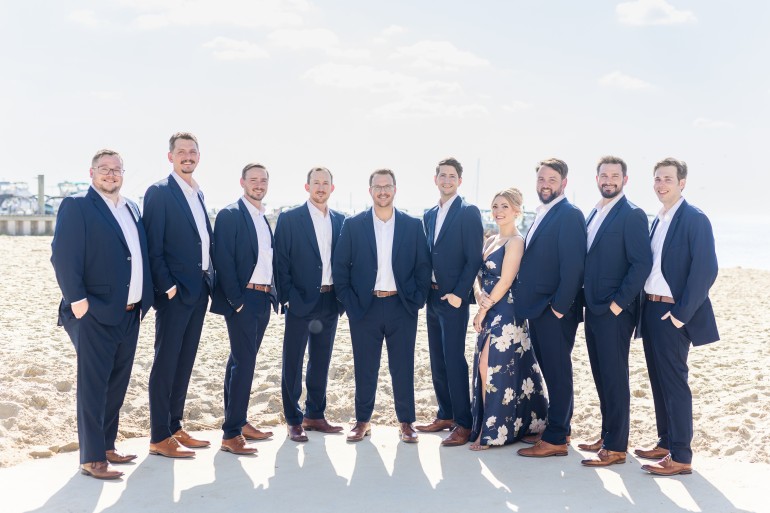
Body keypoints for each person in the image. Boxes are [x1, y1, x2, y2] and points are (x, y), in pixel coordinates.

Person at [51, 149, 154, 479]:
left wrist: (143, 301)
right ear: (91, 173)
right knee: (93, 387)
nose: (111, 174)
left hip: (130, 313)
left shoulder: (131, 208)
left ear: (123, 173)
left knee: (116, 385)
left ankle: (107, 446)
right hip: (93, 312)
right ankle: (91, 457)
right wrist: (78, 301)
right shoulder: (78, 206)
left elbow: (136, 255)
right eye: (104, 169)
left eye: (116, 169)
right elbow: (63, 256)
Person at [332, 169, 431, 444]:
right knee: (365, 367)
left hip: (402, 305)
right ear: (370, 191)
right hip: (365, 307)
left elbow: (423, 266)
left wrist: (417, 298)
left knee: (403, 366)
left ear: (395, 190)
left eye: (388, 186)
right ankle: (362, 421)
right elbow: (340, 267)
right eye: (378, 186)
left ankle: (406, 422)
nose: (383, 191)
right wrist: (350, 302)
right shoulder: (353, 225)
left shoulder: (412, 225)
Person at [637, 158, 719, 476]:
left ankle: (681, 455)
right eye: (657, 179)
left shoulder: (694, 218)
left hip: (673, 312)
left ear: (681, 183)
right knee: (658, 381)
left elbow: (706, 269)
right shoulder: (658, 219)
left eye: (668, 179)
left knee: (674, 383)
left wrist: (680, 315)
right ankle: (666, 442)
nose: (661, 184)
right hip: (651, 309)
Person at [143, 132, 214, 458]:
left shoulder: (197, 193)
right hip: (175, 294)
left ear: (198, 156)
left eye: (192, 151)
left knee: (184, 362)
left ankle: (174, 425)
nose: (188, 156)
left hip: (199, 290)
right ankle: (159, 435)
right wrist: (168, 287)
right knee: (166, 362)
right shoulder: (159, 192)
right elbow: (153, 246)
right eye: (181, 151)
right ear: (170, 156)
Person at [578, 156, 652, 467]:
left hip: (615, 311)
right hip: (592, 307)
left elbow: (641, 264)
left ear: (625, 179)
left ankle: (617, 446)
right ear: (597, 178)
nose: (609, 180)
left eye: (614, 175)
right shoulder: (594, 212)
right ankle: (607, 434)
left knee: (615, 376)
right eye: (604, 175)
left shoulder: (632, 214)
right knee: (601, 374)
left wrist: (618, 304)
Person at [514, 158, 586, 458]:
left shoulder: (569, 214)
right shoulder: (543, 212)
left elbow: (574, 266)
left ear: (564, 183)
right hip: (539, 308)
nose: (545, 185)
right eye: (541, 179)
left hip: (554, 309)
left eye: (552, 180)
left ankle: (556, 438)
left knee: (558, 372)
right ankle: (560, 428)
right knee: (551, 370)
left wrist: (559, 307)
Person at [469, 188, 548, 450]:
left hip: (506, 311)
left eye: (504, 206)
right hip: (488, 306)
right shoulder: (490, 240)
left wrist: (483, 310)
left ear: (516, 211)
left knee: (489, 366)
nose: (498, 211)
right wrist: (479, 296)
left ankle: (489, 431)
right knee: (492, 367)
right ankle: (492, 424)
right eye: (495, 206)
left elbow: (506, 280)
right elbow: (477, 276)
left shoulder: (516, 242)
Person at [274, 167, 346, 443]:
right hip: (300, 301)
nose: (321, 187)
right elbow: (281, 260)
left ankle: (315, 414)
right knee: (293, 361)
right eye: (316, 182)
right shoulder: (290, 218)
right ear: (307, 187)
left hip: (330, 300)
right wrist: (288, 297)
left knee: (321, 359)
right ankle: (294, 420)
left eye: (325, 183)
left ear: (332, 188)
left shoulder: (341, 220)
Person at [210, 163, 277, 455]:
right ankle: (231, 434)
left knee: (240, 361)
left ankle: (238, 421)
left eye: (263, 180)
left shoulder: (262, 217)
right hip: (243, 300)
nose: (258, 185)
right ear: (242, 182)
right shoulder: (230, 214)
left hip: (263, 298)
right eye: (253, 180)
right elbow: (222, 259)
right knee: (244, 363)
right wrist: (236, 301)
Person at [416, 158, 483, 447]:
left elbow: (474, 258)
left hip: (453, 298)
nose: (446, 180)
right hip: (432, 296)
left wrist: (459, 293)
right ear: (436, 179)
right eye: (442, 175)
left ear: (459, 181)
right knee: (437, 358)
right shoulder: (429, 214)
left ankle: (464, 423)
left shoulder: (468, 212)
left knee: (454, 359)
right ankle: (445, 414)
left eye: (452, 176)